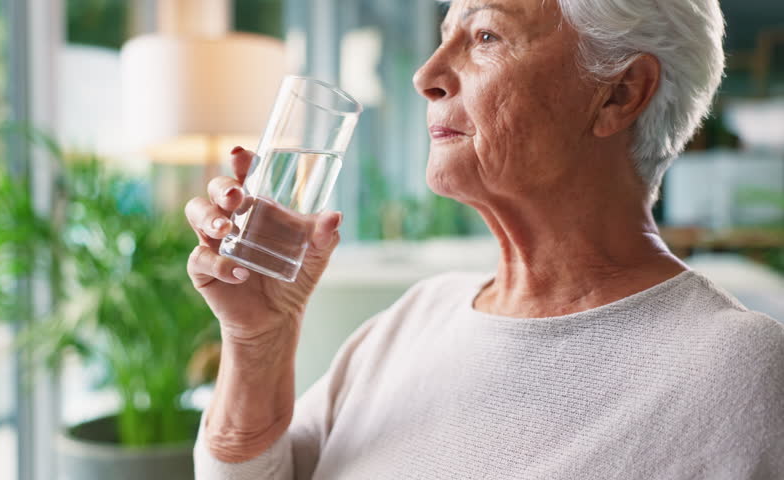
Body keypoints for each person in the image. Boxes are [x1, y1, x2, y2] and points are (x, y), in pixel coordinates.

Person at [185, 0, 784, 477]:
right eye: (445, 33)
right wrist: (255, 343)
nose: (426, 75)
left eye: (486, 36)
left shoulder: (738, 371)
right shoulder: (417, 316)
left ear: (620, 93)